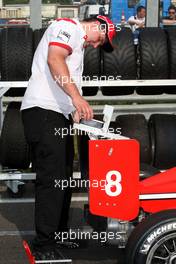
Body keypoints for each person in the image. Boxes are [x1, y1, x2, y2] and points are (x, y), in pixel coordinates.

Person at [21, 15, 116, 261]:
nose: (96, 46)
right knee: (52, 181)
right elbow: (55, 59)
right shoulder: (67, 27)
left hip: (55, 114)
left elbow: (62, 72)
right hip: (42, 112)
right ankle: (43, 246)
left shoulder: (77, 38)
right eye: (101, 40)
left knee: (63, 179)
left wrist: (74, 107)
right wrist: (77, 98)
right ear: (98, 24)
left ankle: (57, 236)